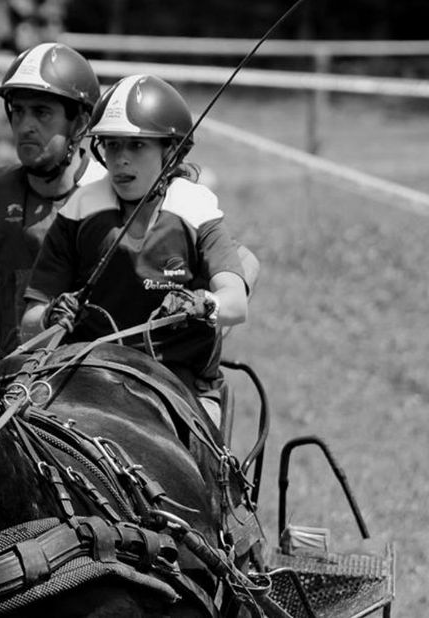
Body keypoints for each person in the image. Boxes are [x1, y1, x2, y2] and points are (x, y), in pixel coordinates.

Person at [20, 74, 254, 428]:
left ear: (170, 151)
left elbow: (235, 303)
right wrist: (50, 316)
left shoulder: (195, 208)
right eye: (112, 146)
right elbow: (29, 323)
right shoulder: (79, 210)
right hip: (87, 377)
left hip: (181, 384)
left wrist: (203, 304)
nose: (121, 160)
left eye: (137, 146)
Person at [0, 42, 105, 359]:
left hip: (96, 378)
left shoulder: (113, 198)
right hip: (14, 378)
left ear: (79, 124)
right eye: (18, 111)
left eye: (41, 112)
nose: (25, 126)